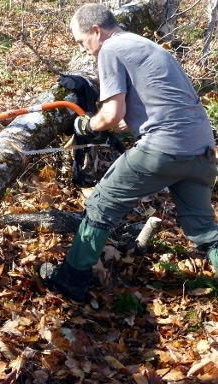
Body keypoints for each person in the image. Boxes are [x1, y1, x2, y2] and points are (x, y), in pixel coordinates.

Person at [43, 3, 218, 302]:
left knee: (101, 204)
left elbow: (110, 115)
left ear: (96, 31)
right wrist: (120, 126)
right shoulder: (145, 45)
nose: (84, 50)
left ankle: (71, 281)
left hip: (164, 149)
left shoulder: (111, 50)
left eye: (81, 42)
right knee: (204, 229)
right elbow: (138, 113)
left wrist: (87, 125)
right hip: (202, 152)